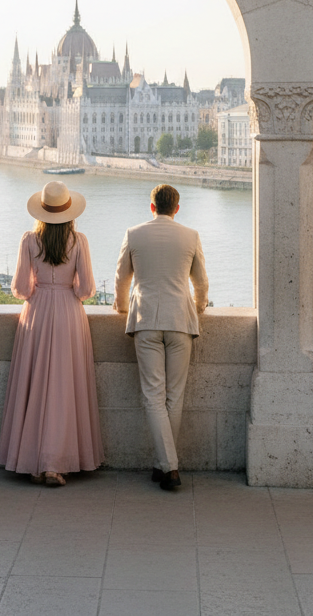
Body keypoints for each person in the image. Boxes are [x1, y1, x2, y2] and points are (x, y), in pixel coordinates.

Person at [0, 180, 104, 486]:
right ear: (69, 212)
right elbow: (86, 289)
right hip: (69, 314)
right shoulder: (79, 241)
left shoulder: (30, 240)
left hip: (38, 313)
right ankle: (57, 465)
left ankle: (36, 463)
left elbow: (20, 288)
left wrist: (42, 289)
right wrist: (66, 288)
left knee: (36, 385)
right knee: (65, 386)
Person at [114, 183, 208, 491]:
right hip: (181, 319)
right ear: (177, 208)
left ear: (152, 206)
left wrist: (122, 306)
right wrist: (198, 307)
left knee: (153, 395)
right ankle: (165, 465)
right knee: (174, 396)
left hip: (146, 320)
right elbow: (201, 282)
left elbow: (122, 278)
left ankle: (166, 465)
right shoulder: (191, 236)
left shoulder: (134, 234)